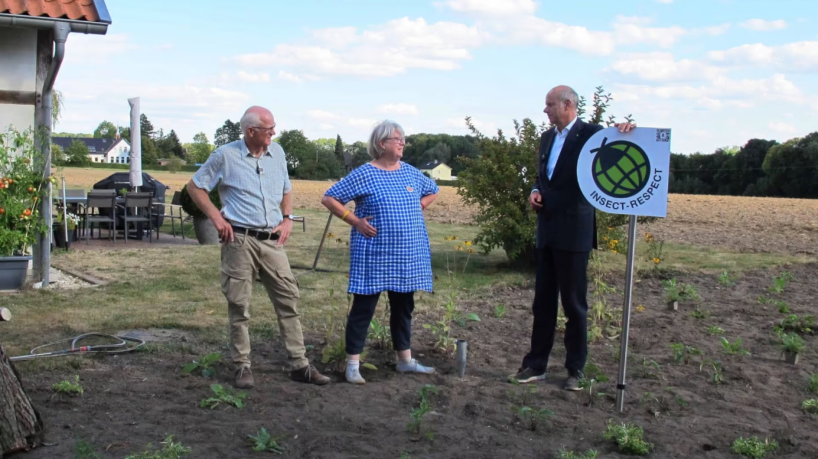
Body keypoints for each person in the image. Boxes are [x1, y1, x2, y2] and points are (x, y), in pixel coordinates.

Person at [186, 105, 330, 389]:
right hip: (238, 241)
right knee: (239, 304)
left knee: (288, 299)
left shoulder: (278, 154)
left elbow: (286, 188)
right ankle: (242, 367)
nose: (273, 133)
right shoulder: (225, 155)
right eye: (268, 129)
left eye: (274, 127)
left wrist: (287, 218)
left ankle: (298, 364)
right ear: (250, 131)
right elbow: (195, 186)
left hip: (272, 242)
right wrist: (216, 217)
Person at [510, 86, 635, 390]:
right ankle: (535, 365)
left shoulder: (591, 134)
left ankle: (575, 369)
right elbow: (542, 176)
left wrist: (625, 130)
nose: (545, 110)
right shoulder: (547, 138)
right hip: (547, 231)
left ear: (567, 104)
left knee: (574, 305)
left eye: (549, 105)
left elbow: (619, 144)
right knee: (543, 303)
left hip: (575, 232)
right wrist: (534, 191)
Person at [320, 120, 439, 385]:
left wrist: (417, 207)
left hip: (407, 255)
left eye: (403, 139)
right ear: (381, 143)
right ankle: (353, 365)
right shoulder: (365, 173)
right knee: (364, 308)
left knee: (403, 307)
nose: (402, 143)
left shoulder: (410, 172)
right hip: (373, 253)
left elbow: (433, 191)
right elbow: (329, 198)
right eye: (398, 139)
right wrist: (355, 221)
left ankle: (405, 361)